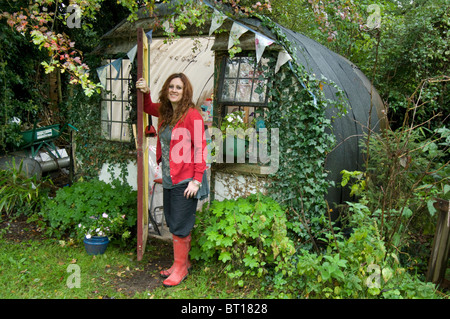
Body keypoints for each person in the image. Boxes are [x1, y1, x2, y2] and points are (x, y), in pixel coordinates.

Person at [136, 73, 208, 287]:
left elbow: (201, 149)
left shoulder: (193, 115)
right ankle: (181, 263)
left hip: (186, 180)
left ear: (185, 92)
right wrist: (145, 90)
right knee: (173, 219)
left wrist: (196, 180)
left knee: (179, 224)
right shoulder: (166, 112)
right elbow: (146, 106)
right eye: (171, 87)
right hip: (169, 177)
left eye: (179, 87)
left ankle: (181, 269)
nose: (174, 90)